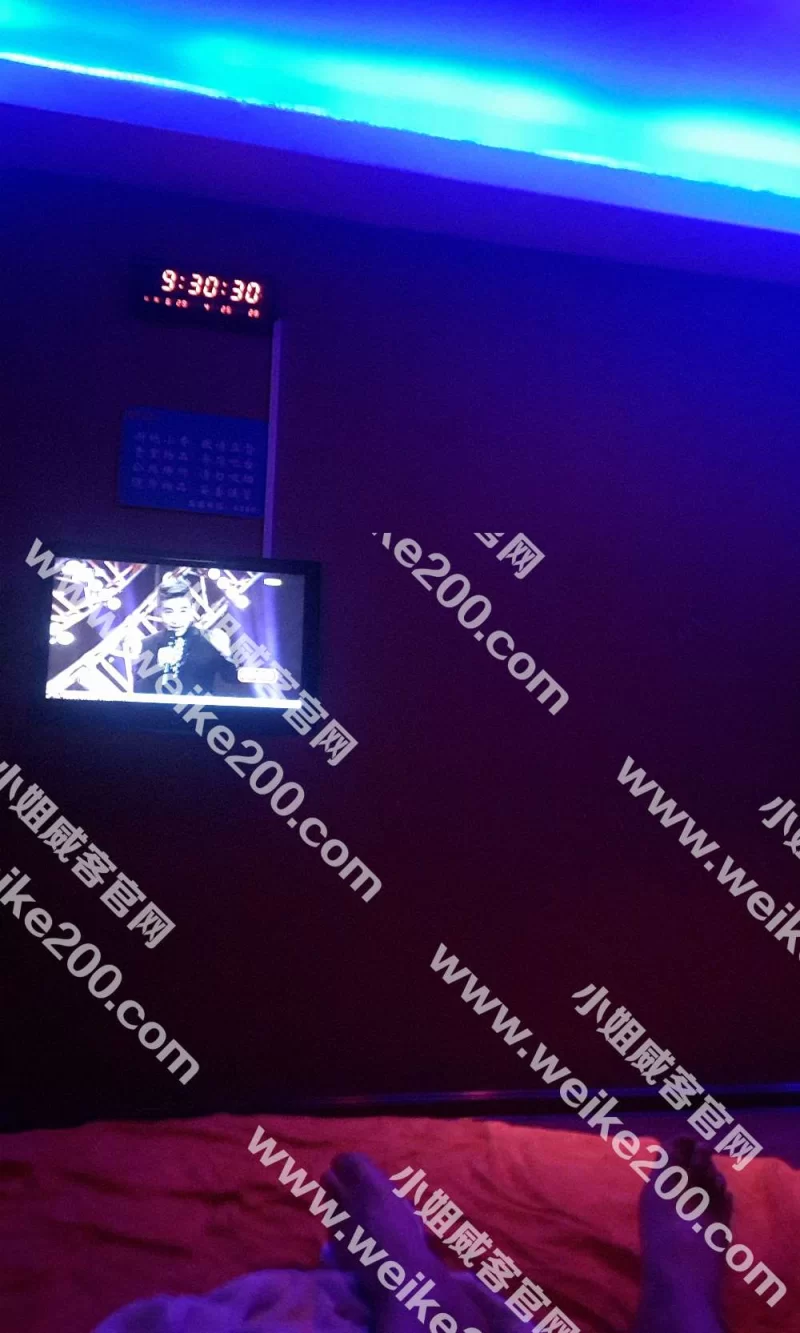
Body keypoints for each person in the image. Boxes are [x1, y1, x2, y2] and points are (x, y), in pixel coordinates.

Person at [131, 577, 241, 696]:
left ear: (192, 609)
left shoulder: (209, 640)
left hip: (199, 708)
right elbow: (138, 693)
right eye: (169, 612)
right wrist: (157, 666)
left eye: (183, 611)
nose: (176, 620)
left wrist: (226, 654)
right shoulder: (147, 644)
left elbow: (232, 683)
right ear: (159, 611)